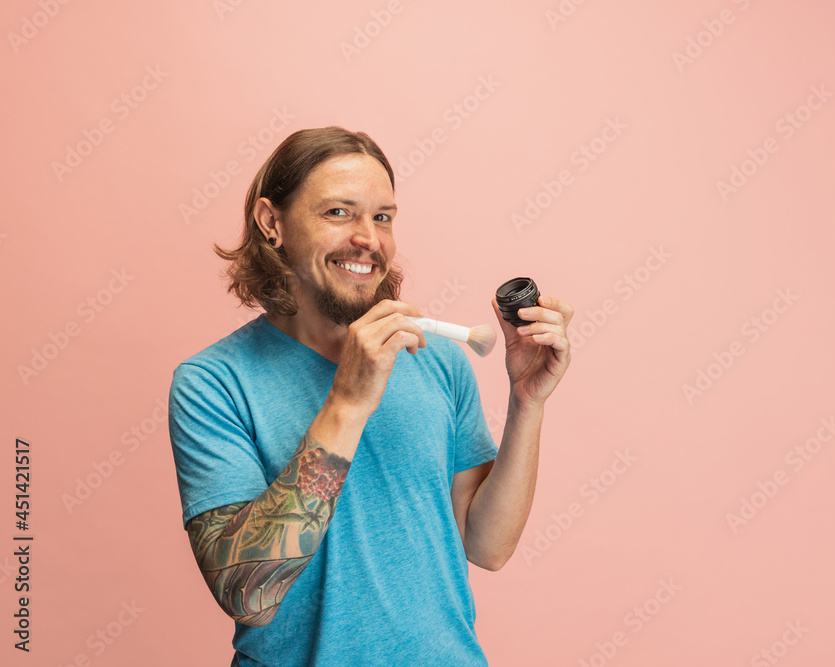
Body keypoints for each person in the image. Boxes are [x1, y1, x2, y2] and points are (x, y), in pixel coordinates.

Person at [167, 126, 573, 666]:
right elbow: (248, 595)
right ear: (271, 223)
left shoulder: (437, 359)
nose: (368, 239)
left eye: (382, 217)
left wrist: (527, 402)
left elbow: (487, 546)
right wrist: (348, 402)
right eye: (339, 212)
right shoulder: (212, 384)